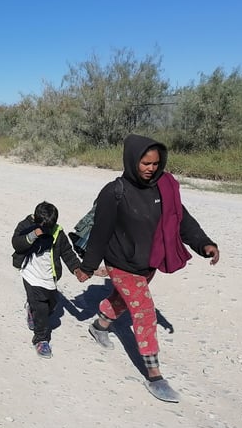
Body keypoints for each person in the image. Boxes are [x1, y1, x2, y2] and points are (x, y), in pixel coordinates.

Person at [78, 134, 220, 403]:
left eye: (156, 163)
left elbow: (181, 220)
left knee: (123, 300)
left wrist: (203, 244)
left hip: (149, 261)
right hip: (120, 262)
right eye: (145, 163)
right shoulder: (114, 191)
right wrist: (88, 266)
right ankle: (154, 376)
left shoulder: (164, 187)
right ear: (133, 160)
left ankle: (99, 326)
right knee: (143, 312)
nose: (151, 169)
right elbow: (101, 231)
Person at [12, 201, 88, 358]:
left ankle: (32, 311)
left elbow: (67, 252)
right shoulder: (26, 225)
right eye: (45, 227)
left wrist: (77, 269)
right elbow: (17, 244)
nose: (48, 229)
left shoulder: (57, 232)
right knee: (41, 309)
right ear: (36, 220)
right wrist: (33, 234)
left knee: (52, 304)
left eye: (51, 226)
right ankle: (41, 339)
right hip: (31, 275)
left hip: (49, 278)